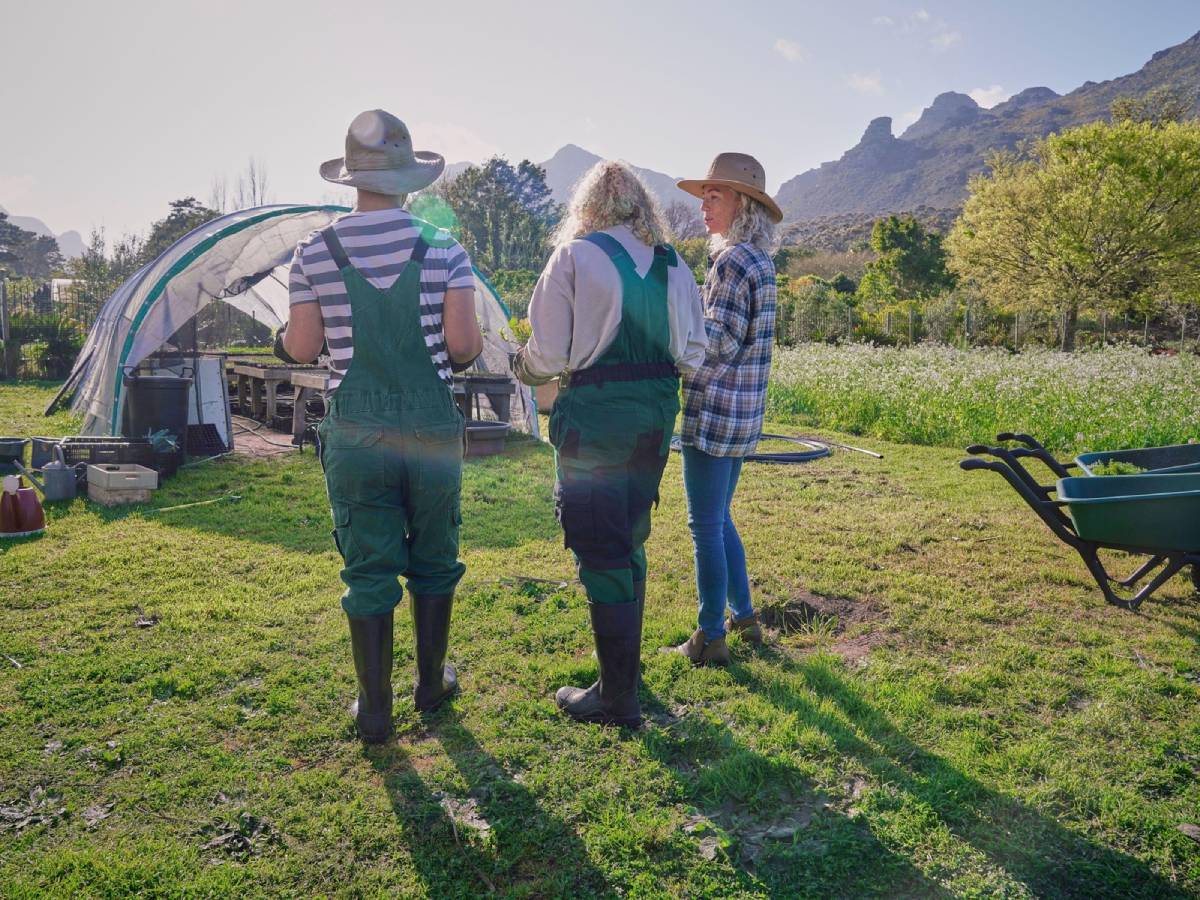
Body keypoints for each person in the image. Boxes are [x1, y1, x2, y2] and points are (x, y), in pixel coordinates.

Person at [280, 110, 483, 742]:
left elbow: (305, 347)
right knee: (435, 556)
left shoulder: (315, 252)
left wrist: (288, 340)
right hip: (429, 428)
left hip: (356, 431)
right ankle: (429, 684)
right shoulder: (443, 248)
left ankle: (374, 711)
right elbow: (464, 346)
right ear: (408, 179)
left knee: (366, 567)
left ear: (352, 179)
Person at [515, 161, 706, 727]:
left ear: (587, 207)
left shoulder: (574, 257)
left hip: (595, 418)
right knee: (630, 533)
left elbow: (546, 357)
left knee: (600, 543)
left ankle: (617, 698)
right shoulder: (676, 266)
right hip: (654, 416)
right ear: (643, 206)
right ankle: (622, 676)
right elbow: (694, 356)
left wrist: (520, 366)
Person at [671, 153, 782, 666]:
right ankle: (745, 617)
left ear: (744, 205)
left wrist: (671, 329)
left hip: (715, 411)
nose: (704, 206)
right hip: (743, 413)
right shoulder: (760, 261)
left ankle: (710, 635)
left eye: (715, 196)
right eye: (704, 196)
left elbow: (717, 340)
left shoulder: (733, 261)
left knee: (704, 526)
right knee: (720, 519)